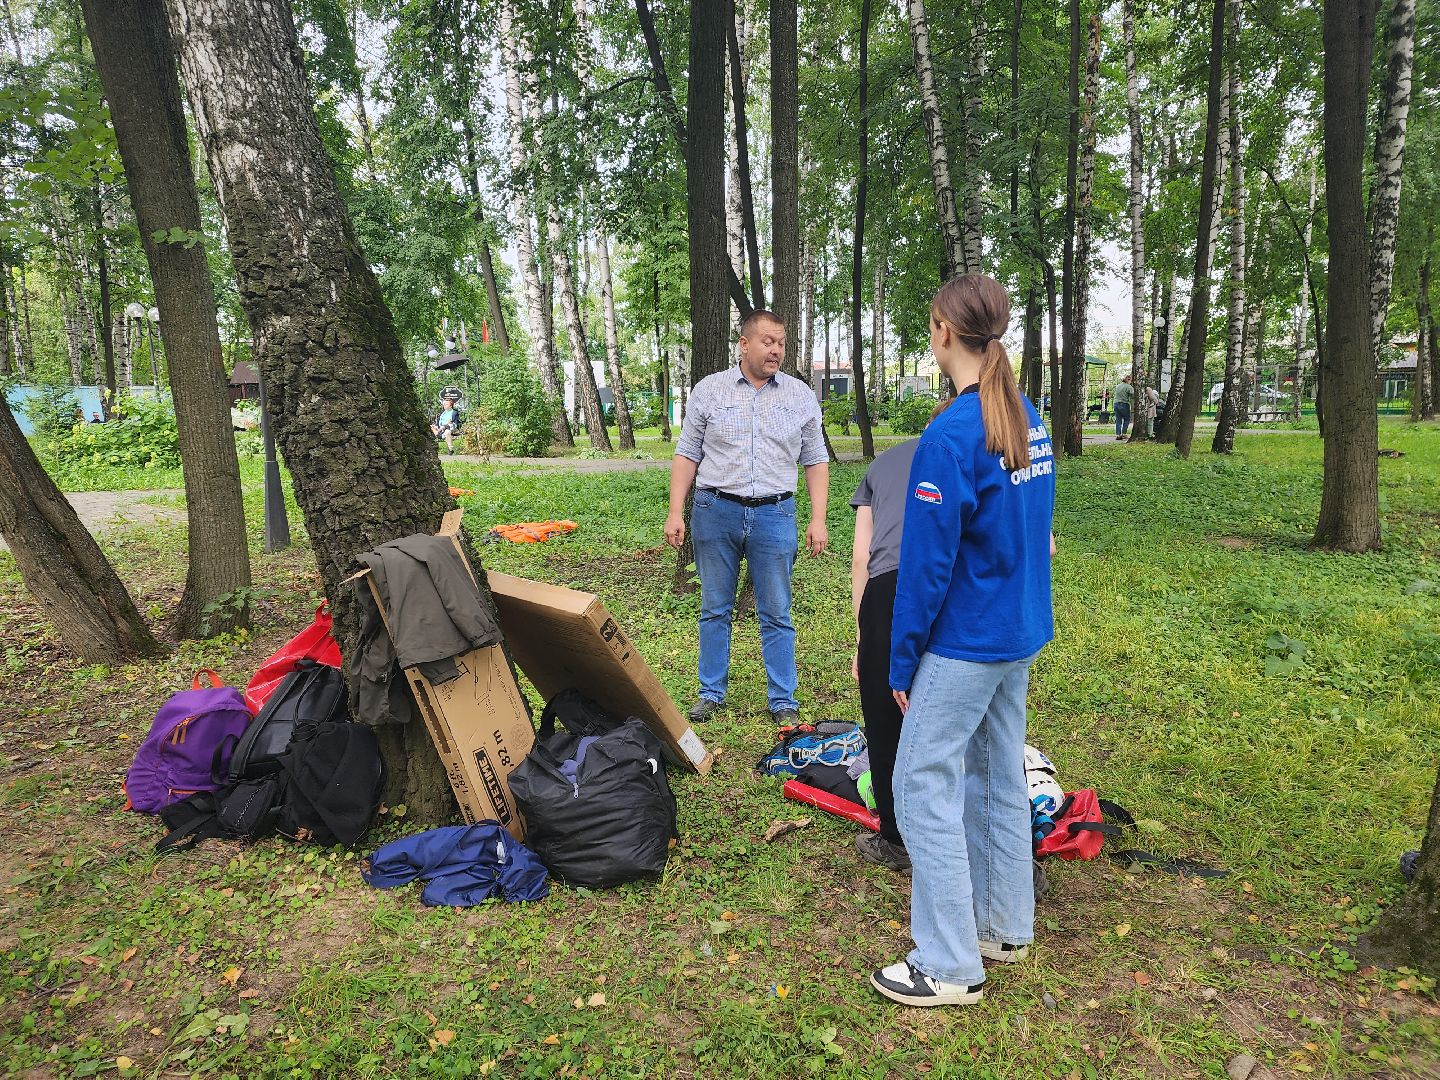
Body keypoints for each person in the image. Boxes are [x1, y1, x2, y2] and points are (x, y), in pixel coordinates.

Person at [870, 273, 1055, 1008]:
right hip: (1018, 632)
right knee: (996, 772)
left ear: (944, 331)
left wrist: (902, 654)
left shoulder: (951, 433)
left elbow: (925, 565)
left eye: (930, 324)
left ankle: (948, 963)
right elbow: (1033, 532)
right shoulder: (1024, 414)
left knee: (920, 784)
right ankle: (1004, 925)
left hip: (968, 642)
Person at [664, 309, 828, 726]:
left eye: (782, 343)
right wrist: (674, 511)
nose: (776, 350)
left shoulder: (799, 395)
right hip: (714, 510)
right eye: (768, 341)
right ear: (744, 343)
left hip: (775, 514)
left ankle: (782, 699)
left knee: (776, 610)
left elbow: (815, 459)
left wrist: (818, 518)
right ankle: (710, 692)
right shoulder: (709, 390)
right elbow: (687, 453)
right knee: (714, 607)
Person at [850, 435, 922, 872]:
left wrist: (865, 637)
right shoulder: (984, 450)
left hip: (889, 589)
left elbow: (863, 557)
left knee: (884, 719)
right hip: (958, 583)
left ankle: (896, 840)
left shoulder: (885, 463)